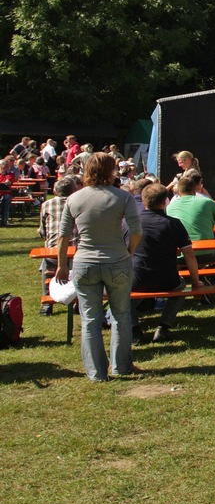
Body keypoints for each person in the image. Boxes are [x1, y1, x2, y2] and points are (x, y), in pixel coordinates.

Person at [56, 152, 142, 381]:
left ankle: (95, 373)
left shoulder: (74, 198)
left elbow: (63, 235)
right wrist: (128, 252)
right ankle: (121, 365)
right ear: (112, 170)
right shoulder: (122, 197)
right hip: (117, 261)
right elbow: (136, 230)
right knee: (121, 315)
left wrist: (62, 264)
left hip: (84, 263)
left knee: (90, 319)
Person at [132, 182, 202, 344]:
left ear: (143, 201)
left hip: (137, 279)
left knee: (121, 295)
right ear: (165, 202)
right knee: (181, 286)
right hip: (168, 280)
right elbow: (190, 256)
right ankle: (163, 327)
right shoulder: (174, 224)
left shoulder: (130, 223)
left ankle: (134, 329)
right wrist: (196, 281)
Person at [38, 176, 80, 315]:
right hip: (76, 250)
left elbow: (43, 230)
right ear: (74, 190)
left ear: (55, 191)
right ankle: (77, 302)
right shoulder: (78, 203)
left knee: (46, 266)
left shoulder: (46, 205)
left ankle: (48, 303)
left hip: (54, 251)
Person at [167, 172, 215, 263]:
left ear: (178, 191)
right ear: (194, 190)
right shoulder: (206, 201)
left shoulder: (170, 206)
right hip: (207, 254)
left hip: (181, 256)